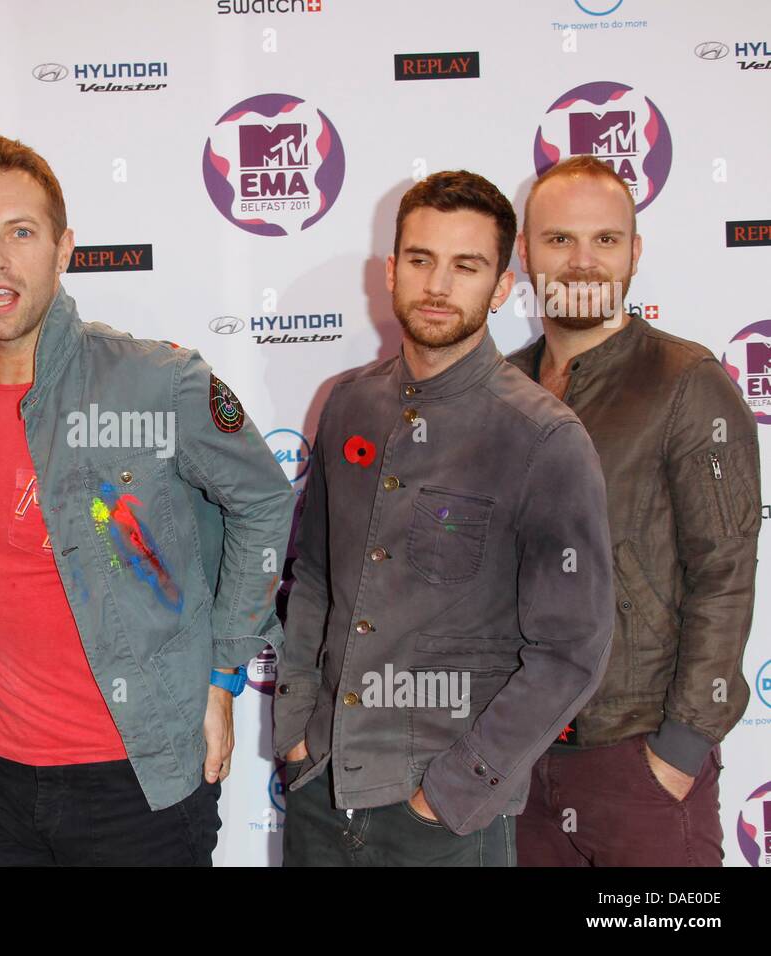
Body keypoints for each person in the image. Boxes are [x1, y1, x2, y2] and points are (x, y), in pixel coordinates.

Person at [0, 135, 294, 866]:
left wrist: (224, 673)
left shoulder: (157, 381)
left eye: (20, 233)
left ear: (64, 250)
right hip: (0, 779)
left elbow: (264, 504)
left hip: (138, 783)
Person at [273, 170, 614, 866]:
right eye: (422, 260)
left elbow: (572, 649)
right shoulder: (347, 406)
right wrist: (296, 729)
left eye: (467, 266)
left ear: (500, 286)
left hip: (443, 820)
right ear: (392, 269)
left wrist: (455, 789)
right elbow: (312, 576)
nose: (438, 284)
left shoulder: (542, 438)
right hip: (322, 786)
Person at [509, 155, 760, 866]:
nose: (583, 262)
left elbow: (726, 573)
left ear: (635, 252)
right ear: (525, 253)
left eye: (606, 241)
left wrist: (679, 750)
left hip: (638, 763)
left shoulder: (686, 384)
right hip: (514, 760)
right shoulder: (501, 391)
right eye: (560, 240)